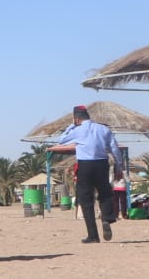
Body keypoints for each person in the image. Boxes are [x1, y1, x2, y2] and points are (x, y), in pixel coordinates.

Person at [50, 104, 125, 243]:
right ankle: (107, 218)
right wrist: (119, 166)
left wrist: (71, 126)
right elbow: (114, 148)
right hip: (102, 164)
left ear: (76, 118)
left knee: (86, 200)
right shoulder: (104, 129)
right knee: (105, 194)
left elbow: (61, 140)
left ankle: (93, 235)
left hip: (85, 166)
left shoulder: (78, 130)